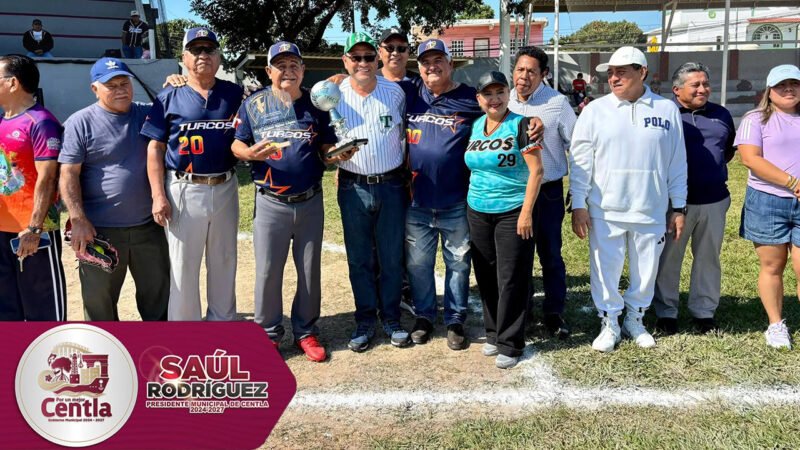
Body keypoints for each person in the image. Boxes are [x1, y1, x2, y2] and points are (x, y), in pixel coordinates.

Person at [569, 46, 687, 353]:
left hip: (651, 208)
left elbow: (677, 163)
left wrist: (678, 206)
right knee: (604, 269)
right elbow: (581, 161)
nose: (614, 78)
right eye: (610, 73)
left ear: (642, 72)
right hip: (605, 209)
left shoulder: (666, 110)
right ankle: (609, 322)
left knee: (645, 271)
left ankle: (635, 319)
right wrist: (579, 204)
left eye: (622, 72)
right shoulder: (595, 111)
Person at [232, 42, 338, 361]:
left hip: (309, 200)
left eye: (294, 65)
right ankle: (269, 333)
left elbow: (326, 149)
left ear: (303, 70)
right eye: (280, 65)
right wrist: (249, 153)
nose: (287, 71)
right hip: (270, 201)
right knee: (267, 271)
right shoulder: (254, 103)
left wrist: (336, 155)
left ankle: (306, 331)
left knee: (309, 270)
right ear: (269, 72)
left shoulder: (316, 104)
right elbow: (236, 143)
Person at [141, 27, 242, 321]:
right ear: (184, 57)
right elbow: (154, 148)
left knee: (224, 262)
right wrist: (158, 195)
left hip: (225, 185)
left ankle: (221, 330)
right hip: (184, 187)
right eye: (195, 50)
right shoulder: (168, 95)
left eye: (209, 50)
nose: (203, 56)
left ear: (219, 56)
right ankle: (186, 338)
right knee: (183, 267)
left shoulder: (233, 93)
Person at [59, 57, 169, 321]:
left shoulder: (147, 113)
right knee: (99, 305)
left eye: (125, 82)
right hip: (99, 232)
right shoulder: (80, 122)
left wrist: (177, 83)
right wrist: (78, 219)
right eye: (112, 85)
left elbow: (178, 107)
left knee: (159, 300)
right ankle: (105, 355)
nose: (121, 89)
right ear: (95, 89)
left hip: (148, 228)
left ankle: (160, 354)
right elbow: (68, 174)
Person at [401, 39, 483, 350]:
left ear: (450, 64)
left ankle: (455, 319)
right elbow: (375, 80)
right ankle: (424, 316)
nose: (432, 66)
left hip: (456, 200)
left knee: (458, 263)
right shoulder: (410, 94)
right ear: (418, 67)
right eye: (425, 62)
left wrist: (531, 122)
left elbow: (500, 113)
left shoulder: (469, 98)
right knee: (419, 265)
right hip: (416, 200)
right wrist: (339, 79)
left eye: (438, 60)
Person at [334, 32, 408, 352]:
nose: (363, 63)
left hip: (391, 185)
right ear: (345, 61)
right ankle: (365, 319)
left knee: (392, 257)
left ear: (377, 59)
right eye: (356, 57)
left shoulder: (396, 93)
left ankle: (391, 317)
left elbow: (408, 134)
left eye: (368, 57)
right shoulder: (333, 94)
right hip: (352, 186)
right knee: (359, 259)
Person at [466, 71, 544, 369]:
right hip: (478, 210)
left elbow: (536, 171)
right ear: (479, 99)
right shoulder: (475, 126)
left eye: (499, 92)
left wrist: (526, 213)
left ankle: (511, 343)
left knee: (511, 276)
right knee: (485, 273)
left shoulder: (521, 125)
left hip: (513, 210)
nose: (494, 99)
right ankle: (493, 332)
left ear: (508, 94)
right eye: (488, 94)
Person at [653, 62, 736, 335]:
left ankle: (704, 312)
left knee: (708, 258)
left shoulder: (721, 114)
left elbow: (726, 151)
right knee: (669, 258)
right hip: (676, 204)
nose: (703, 89)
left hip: (714, 201)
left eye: (705, 84)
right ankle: (666, 312)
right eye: (696, 85)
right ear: (677, 90)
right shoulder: (665, 115)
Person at [508, 46, 576, 339]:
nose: (524, 77)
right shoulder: (502, 99)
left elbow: (578, 147)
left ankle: (553, 312)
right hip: (512, 192)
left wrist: (578, 188)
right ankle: (521, 312)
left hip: (547, 191)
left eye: (531, 71)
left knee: (550, 253)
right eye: (520, 70)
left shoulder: (557, 103)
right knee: (516, 256)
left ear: (543, 74)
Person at [736, 64, 800, 349]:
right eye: (781, 85)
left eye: (794, 84)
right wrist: (793, 183)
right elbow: (750, 159)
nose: (789, 89)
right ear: (769, 92)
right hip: (767, 201)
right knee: (773, 266)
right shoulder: (755, 118)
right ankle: (775, 324)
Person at [0, 54, 66, 320]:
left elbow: (48, 179)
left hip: (33, 233)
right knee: (7, 309)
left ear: (13, 83)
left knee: (43, 310)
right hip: (2, 230)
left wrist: (35, 227)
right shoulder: (3, 121)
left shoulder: (41, 122)